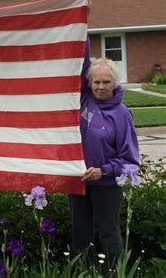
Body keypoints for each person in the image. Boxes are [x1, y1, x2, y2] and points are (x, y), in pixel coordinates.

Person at [68, 42, 140, 270]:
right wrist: (82, 18)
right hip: (78, 180)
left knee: (108, 232)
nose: (100, 87)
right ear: (89, 83)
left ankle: (113, 272)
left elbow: (129, 158)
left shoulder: (122, 114)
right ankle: (84, 272)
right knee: (81, 231)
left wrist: (104, 171)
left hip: (107, 184)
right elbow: (82, 61)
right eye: (96, 82)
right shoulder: (83, 99)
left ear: (114, 83)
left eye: (106, 82)